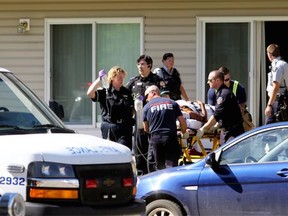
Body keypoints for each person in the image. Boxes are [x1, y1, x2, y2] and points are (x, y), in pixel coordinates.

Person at [126, 54, 166, 174]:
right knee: (139, 150)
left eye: (142, 64)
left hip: (154, 121)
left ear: (149, 65)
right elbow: (125, 99)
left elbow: (166, 97)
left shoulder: (157, 81)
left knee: (153, 150)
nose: (140, 66)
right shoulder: (133, 82)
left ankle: (154, 173)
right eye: (138, 64)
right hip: (139, 120)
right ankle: (141, 175)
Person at [87, 66, 134, 150]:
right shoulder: (105, 91)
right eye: (119, 77)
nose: (122, 79)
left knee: (124, 151)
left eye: (122, 77)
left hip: (125, 127)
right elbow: (90, 93)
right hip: (110, 127)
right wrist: (99, 79)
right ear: (112, 78)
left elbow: (132, 108)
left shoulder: (126, 92)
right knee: (111, 152)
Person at [143, 85, 187, 170]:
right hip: (170, 138)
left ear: (153, 93)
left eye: (146, 96)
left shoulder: (146, 107)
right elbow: (182, 122)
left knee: (160, 167)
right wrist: (184, 132)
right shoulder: (172, 103)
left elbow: (146, 128)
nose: (146, 99)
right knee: (172, 167)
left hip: (156, 139)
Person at [197, 70, 244, 144]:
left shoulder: (224, 94)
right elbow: (224, 113)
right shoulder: (221, 92)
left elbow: (217, 114)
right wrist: (217, 125)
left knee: (230, 154)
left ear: (218, 81)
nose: (208, 82)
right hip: (226, 131)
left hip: (233, 132)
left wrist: (204, 128)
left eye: (210, 80)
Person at [207, 66, 254, 131]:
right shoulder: (212, 90)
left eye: (227, 80)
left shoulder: (239, 88)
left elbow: (241, 108)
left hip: (238, 114)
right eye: (222, 80)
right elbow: (212, 109)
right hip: (219, 114)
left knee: (245, 123)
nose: (224, 82)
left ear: (230, 77)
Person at [265, 44, 288, 124]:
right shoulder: (283, 64)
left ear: (269, 55)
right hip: (280, 101)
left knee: (268, 130)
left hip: (277, 101)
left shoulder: (278, 66)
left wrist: (269, 105)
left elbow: (276, 87)